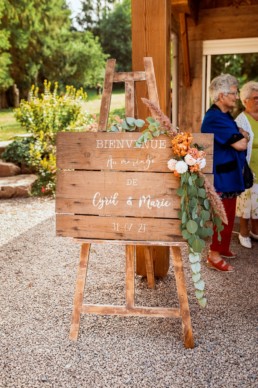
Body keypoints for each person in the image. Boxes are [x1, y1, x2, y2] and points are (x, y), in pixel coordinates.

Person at [201, 74, 248, 272]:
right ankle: (214, 254)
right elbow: (240, 142)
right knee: (222, 215)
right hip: (221, 177)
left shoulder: (224, 115)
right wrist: (242, 136)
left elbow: (240, 135)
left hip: (229, 175)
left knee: (228, 213)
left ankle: (223, 247)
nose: (236, 97)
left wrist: (241, 135)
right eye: (234, 93)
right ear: (221, 95)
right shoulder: (214, 118)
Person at [235, 81, 258, 249]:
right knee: (246, 200)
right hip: (248, 167)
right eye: (255, 98)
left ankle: (255, 230)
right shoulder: (240, 121)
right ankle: (243, 232)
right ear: (245, 101)